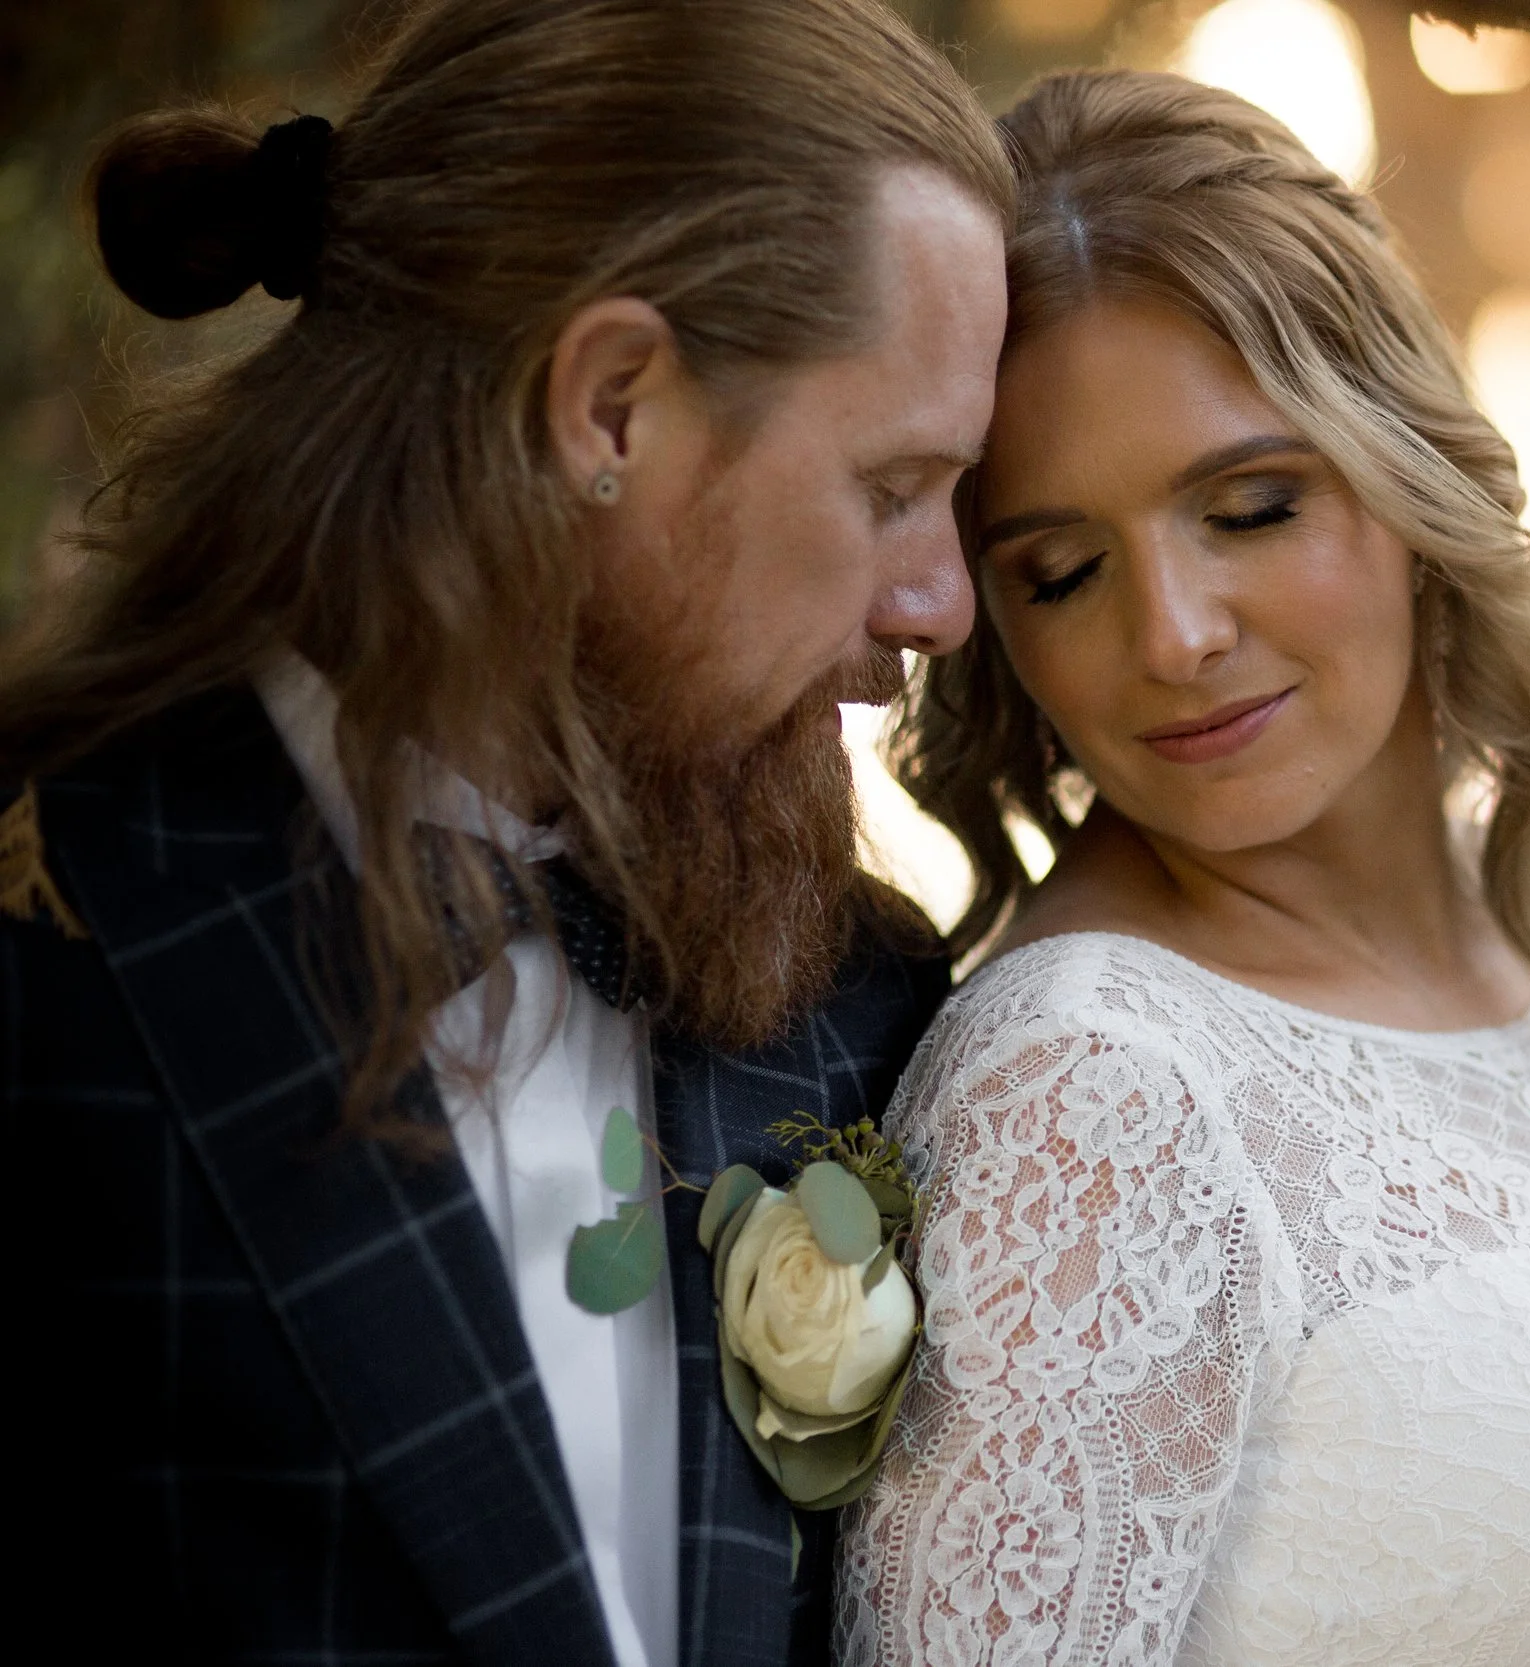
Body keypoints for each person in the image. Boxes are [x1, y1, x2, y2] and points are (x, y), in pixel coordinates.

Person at [837, 69, 1530, 1667]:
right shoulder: (1088, 1093)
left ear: (1405, 467)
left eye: (1252, 506)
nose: (1174, 634)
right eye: (1063, 571)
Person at [0, 3, 1007, 1663]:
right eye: (894, 485)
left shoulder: (859, 1003)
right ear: (610, 405)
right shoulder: (49, 950)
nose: (942, 601)